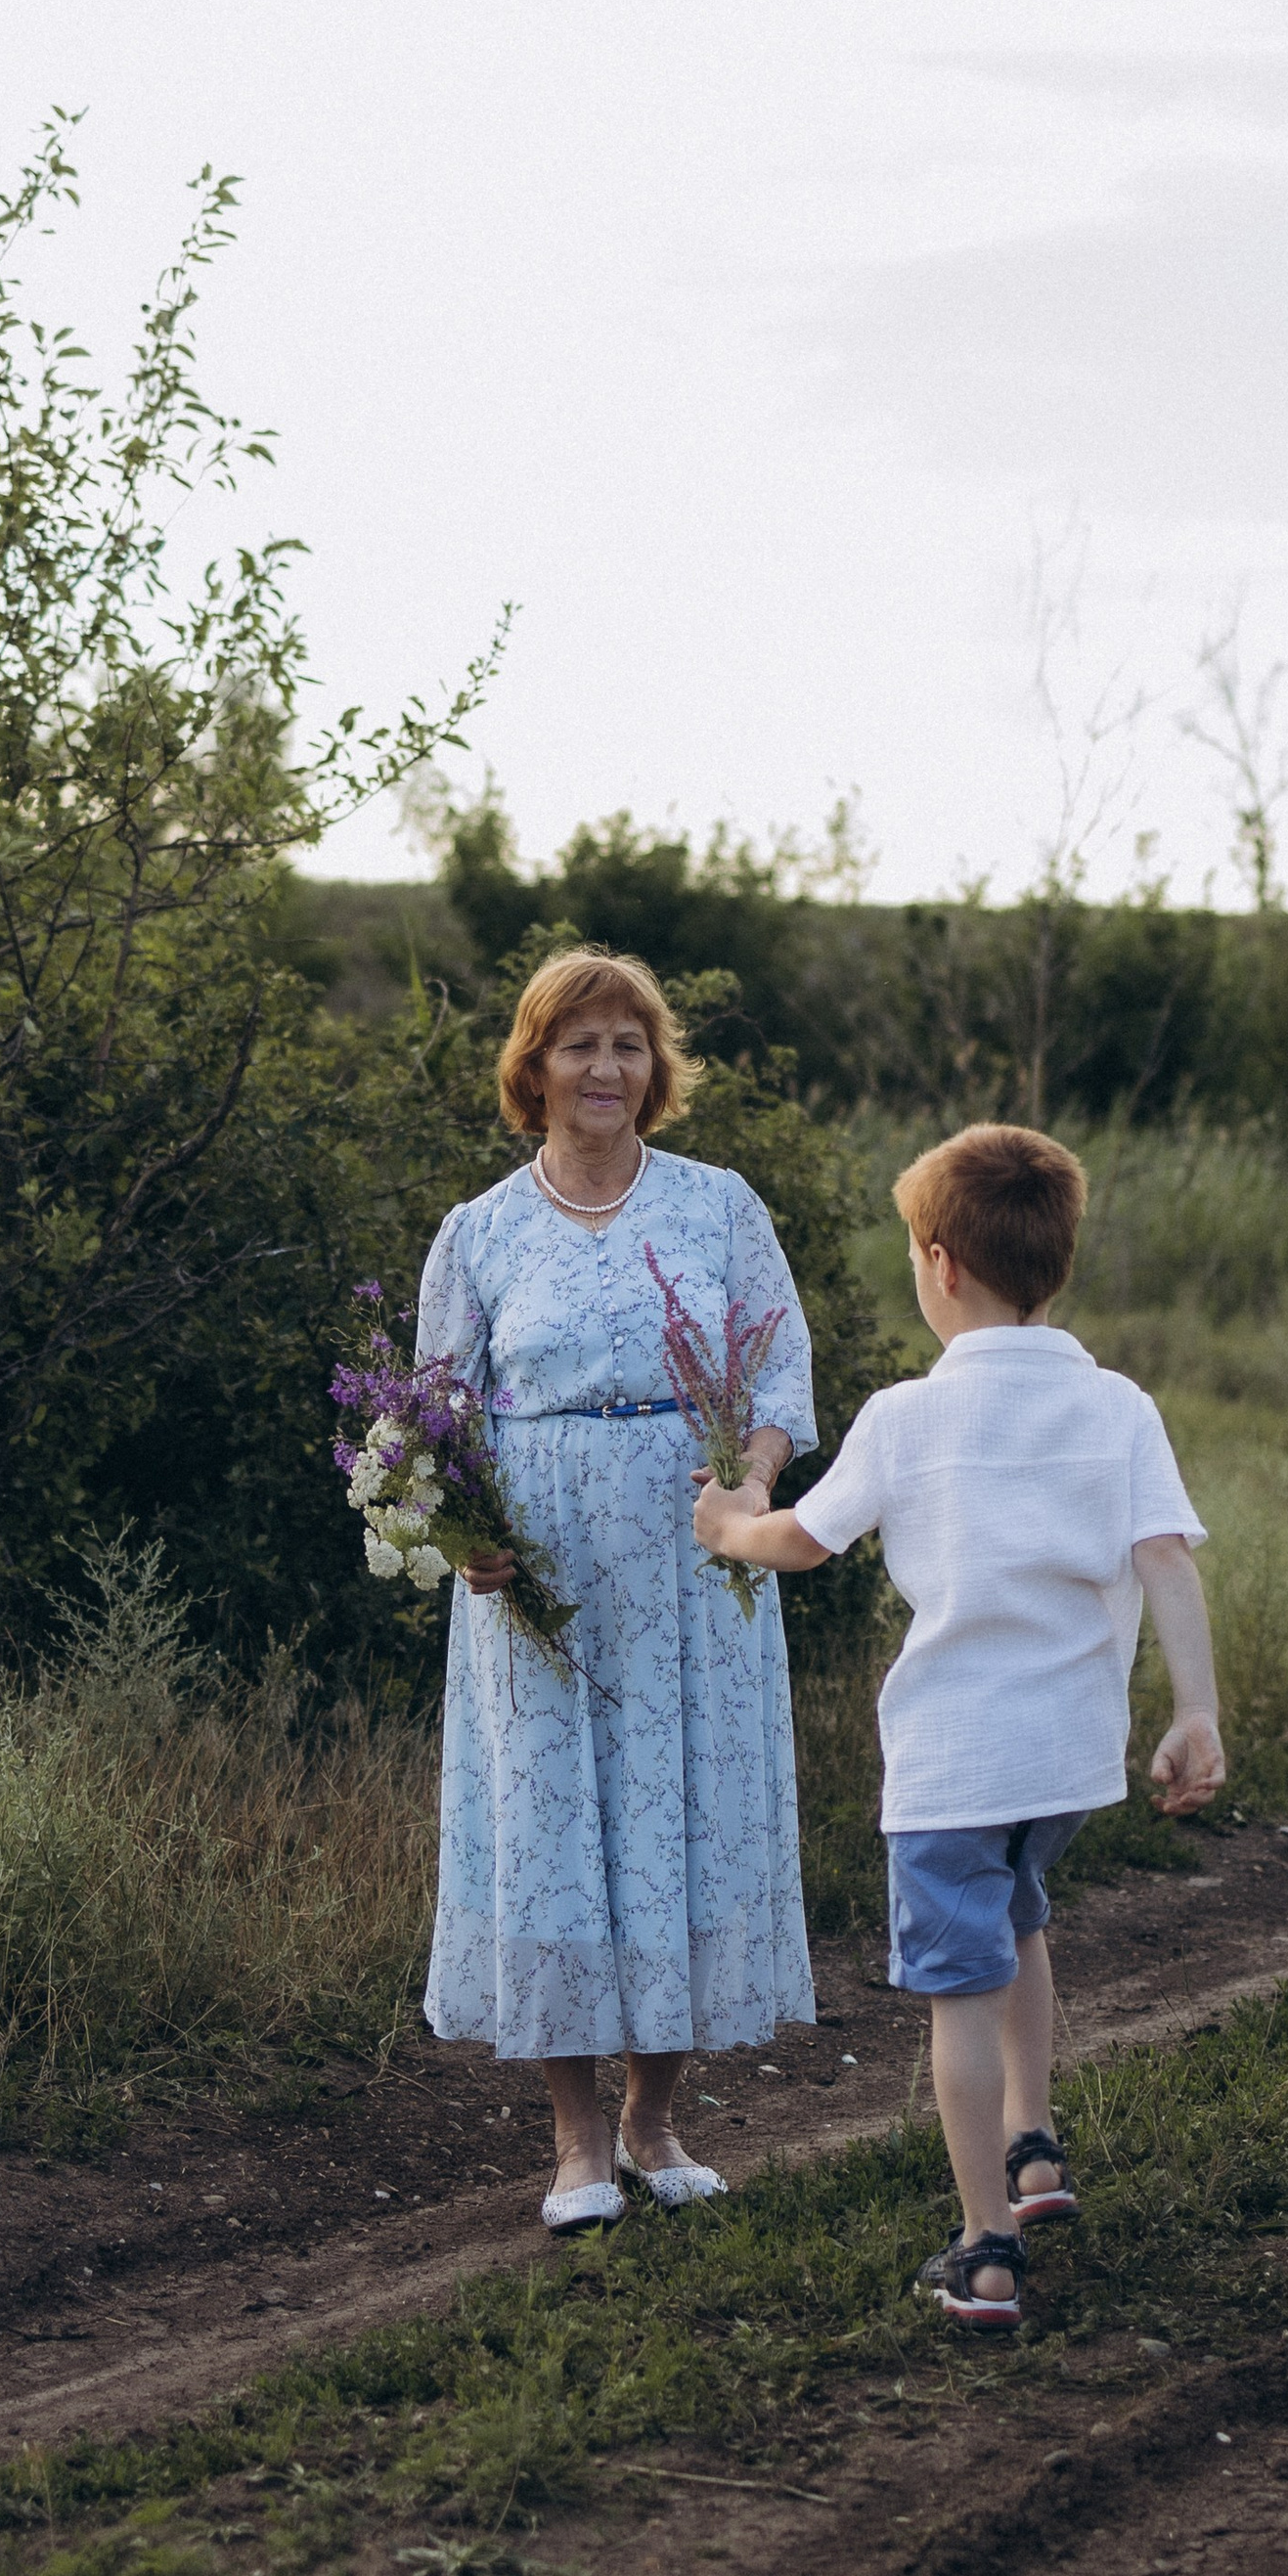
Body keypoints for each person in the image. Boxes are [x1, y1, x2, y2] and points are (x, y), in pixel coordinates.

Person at [693, 1118, 1223, 2331]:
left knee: (959, 1993)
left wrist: (728, 1524)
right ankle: (1034, 2150)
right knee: (1019, 1921)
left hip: (953, 1763)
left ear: (935, 1263)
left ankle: (984, 2246)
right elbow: (1165, 1559)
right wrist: (1193, 1708)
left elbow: (802, 1540)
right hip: (1069, 1761)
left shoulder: (905, 1417)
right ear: (1059, 1262)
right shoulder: (1119, 1404)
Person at [418, 946, 819, 2232]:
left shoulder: (719, 1208)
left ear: (657, 1072)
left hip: (691, 1566)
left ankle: (653, 2116)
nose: (606, 1067)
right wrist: (463, 1526)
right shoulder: (478, 1232)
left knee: (676, 1819)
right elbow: (434, 1416)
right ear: (532, 1067)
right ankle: (576, 2137)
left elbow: (780, 1382)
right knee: (552, 1834)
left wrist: (751, 1483)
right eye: (579, 1043)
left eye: (629, 1045)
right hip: (535, 1581)